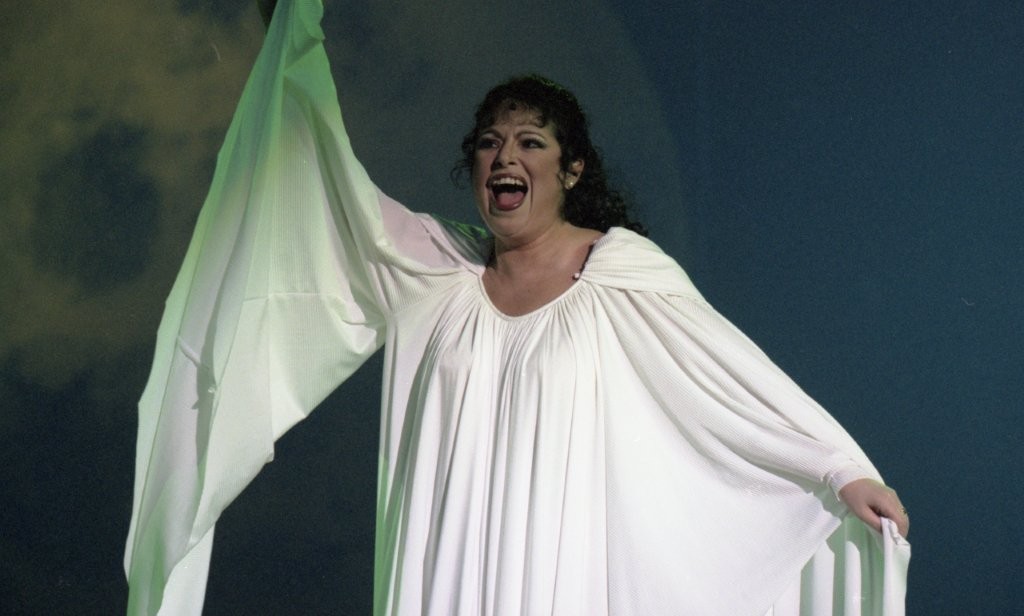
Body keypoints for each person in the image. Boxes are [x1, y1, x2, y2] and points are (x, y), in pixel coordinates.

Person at [125, 1, 910, 614]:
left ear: (571, 170)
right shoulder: (430, 271)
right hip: (441, 584)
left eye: (530, 142)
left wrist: (838, 469)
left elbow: (733, 380)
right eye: (489, 142)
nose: (504, 155)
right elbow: (318, 173)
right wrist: (293, 29)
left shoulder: (621, 274)